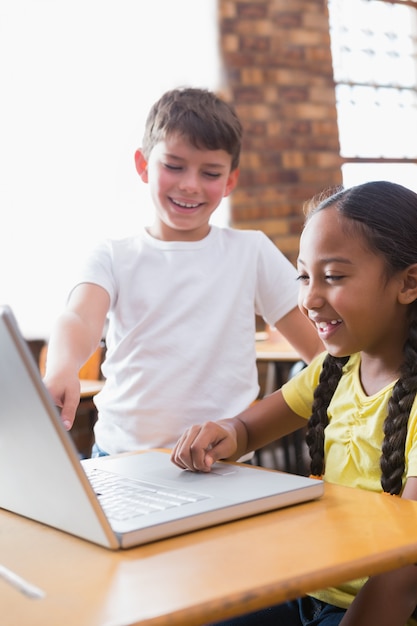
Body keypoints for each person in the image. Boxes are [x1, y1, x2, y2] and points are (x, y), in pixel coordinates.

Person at [171, 180, 417, 626]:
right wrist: (225, 433)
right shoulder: (333, 369)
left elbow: (405, 572)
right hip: (306, 588)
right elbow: (247, 429)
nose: (309, 299)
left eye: (334, 277)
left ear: (409, 283)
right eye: (304, 275)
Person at [43, 86, 321, 456]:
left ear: (230, 181)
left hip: (224, 463)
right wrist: (63, 366)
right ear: (143, 165)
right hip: (122, 457)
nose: (190, 184)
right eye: (174, 166)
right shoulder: (114, 254)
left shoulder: (250, 251)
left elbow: (319, 346)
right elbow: (78, 318)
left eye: (210, 172)